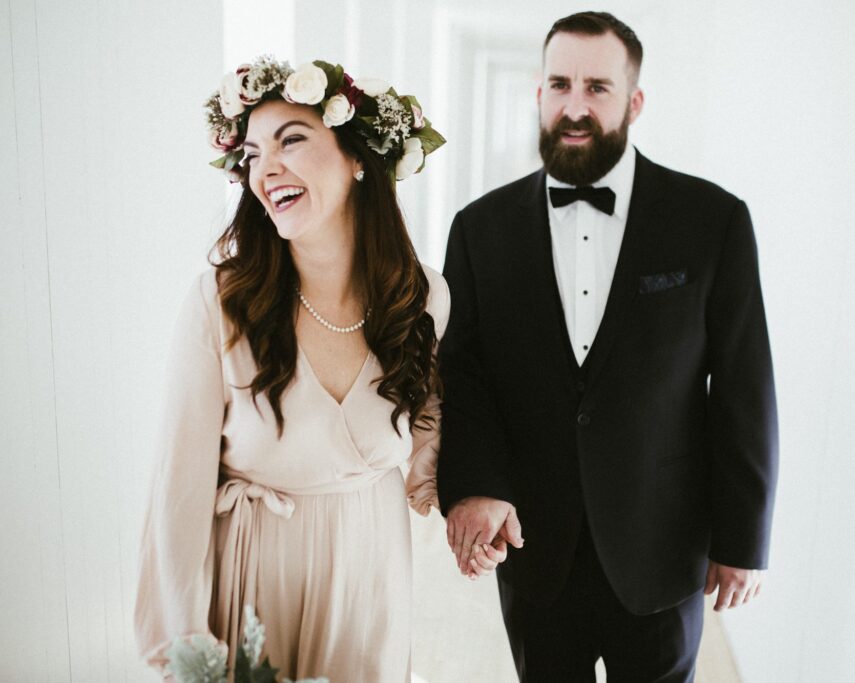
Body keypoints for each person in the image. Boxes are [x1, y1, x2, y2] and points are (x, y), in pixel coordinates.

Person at [134, 56, 503, 681]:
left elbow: (427, 447)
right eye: (251, 154)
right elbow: (178, 493)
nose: (266, 168)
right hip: (255, 577)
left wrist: (478, 499)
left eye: (292, 141)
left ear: (360, 159)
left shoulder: (423, 298)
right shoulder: (219, 304)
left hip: (371, 575)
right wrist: (187, 643)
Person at [437, 11, 779, 681]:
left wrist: (744, 537)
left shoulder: (712, 221)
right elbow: (462, 373)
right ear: (538, 92)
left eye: (598, 87)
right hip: (535, 547)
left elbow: (744, 385)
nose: (575, 105)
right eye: (560, 83)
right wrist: (477, 485)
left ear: (634, 101)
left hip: (662, 547)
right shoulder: (480, 230)